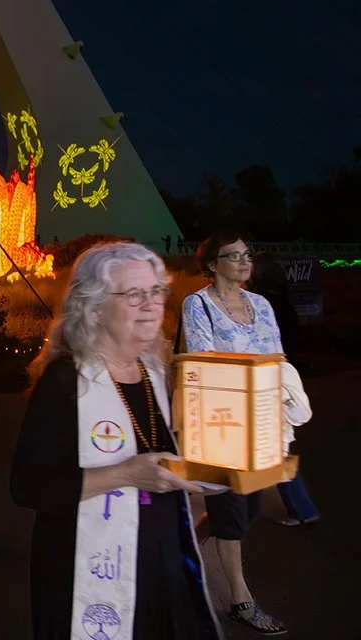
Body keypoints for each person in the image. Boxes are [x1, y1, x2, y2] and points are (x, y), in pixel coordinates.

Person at [11, 241, 220, 640]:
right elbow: (27, 487)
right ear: (94, 308)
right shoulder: (67, 382)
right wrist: (124, 473)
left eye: (156, 291)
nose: (152, 304)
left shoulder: (155, 373)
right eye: (134, 294)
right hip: (85, 570)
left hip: (159, 563)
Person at [180, 232, 293, 634]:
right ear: (212, 264)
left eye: (248, 255)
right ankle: (241, 601)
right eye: (235, 256)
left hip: (260, 417)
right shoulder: (197, 305)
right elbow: (203, 357)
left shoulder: (260, 304)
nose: (246, 262)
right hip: (221, 418)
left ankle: (175, 543)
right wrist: (252, 369)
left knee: (247, 507)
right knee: (231, 510)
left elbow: (277, 354)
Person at [247, 253, 318, 528]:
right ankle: (299, 507)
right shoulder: (283, 304)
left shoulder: (260, 304)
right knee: (277, 445)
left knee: (274, 449)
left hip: (268, 379)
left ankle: (301, 508)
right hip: (283, 376)